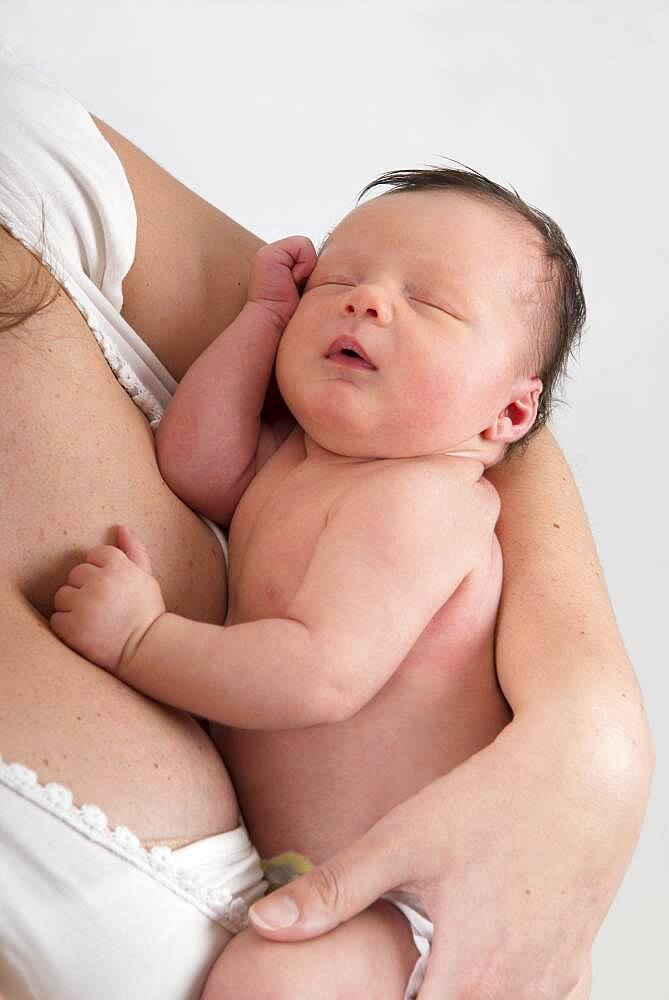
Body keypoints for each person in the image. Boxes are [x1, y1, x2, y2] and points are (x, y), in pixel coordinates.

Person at [0, 42, 653, 1000]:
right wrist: (263, 319)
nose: (365, 300)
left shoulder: (424, 507)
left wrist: (143, 639)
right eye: (339, 278)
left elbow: (318, 672)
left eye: (426, 302)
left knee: (271, 980)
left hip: (409, 902)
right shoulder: (303, 459)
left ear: (508, 415)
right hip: (307, 870)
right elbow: (196, 463)